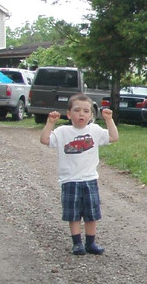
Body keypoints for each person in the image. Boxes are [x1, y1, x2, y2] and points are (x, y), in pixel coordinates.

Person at [40, 93, 119, 255]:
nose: (81, 114)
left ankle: (91, 242)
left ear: (91, 115)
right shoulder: (62, 132)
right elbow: (45, 140)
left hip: (90, 179)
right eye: (77, 110)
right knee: (74, 214)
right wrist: (50, 123)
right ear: (69, 114)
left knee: (91, 214)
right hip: (70, 180)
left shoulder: (95, 131)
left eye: (85, 111)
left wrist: (109, 120)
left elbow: (113, 137)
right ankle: (77, 243)